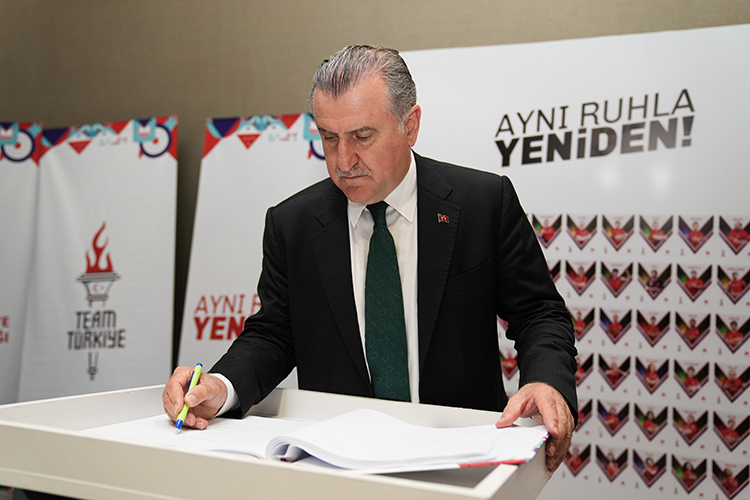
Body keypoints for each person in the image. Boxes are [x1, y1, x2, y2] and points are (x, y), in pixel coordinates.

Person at [162, 46, 577, 473]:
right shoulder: (292, 224)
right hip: (338, 466)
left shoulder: (482, 204)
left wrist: (545, 381)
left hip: (464, 458)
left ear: (410, 125)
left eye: (362, 137)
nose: (343, 161)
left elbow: (538, 312)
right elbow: (274, 333)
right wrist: (221, 386)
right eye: (329, 138)